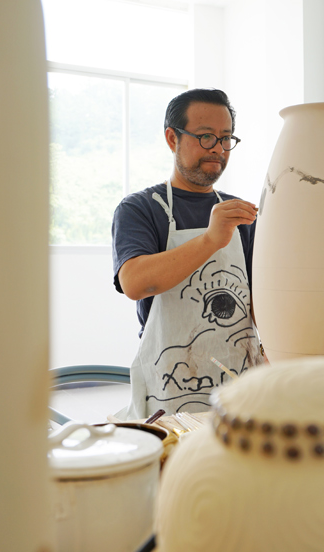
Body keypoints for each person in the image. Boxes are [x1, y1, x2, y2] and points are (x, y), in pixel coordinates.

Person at [111, 89, 264, 419]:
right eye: (206, 136)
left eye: (226, 138)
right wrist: (210, 239)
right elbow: (134, 282)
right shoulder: (140, 208)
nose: (218, 149)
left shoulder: (239, 213)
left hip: (238, 382)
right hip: (169, 382)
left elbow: (259, 301)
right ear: (172, 138)